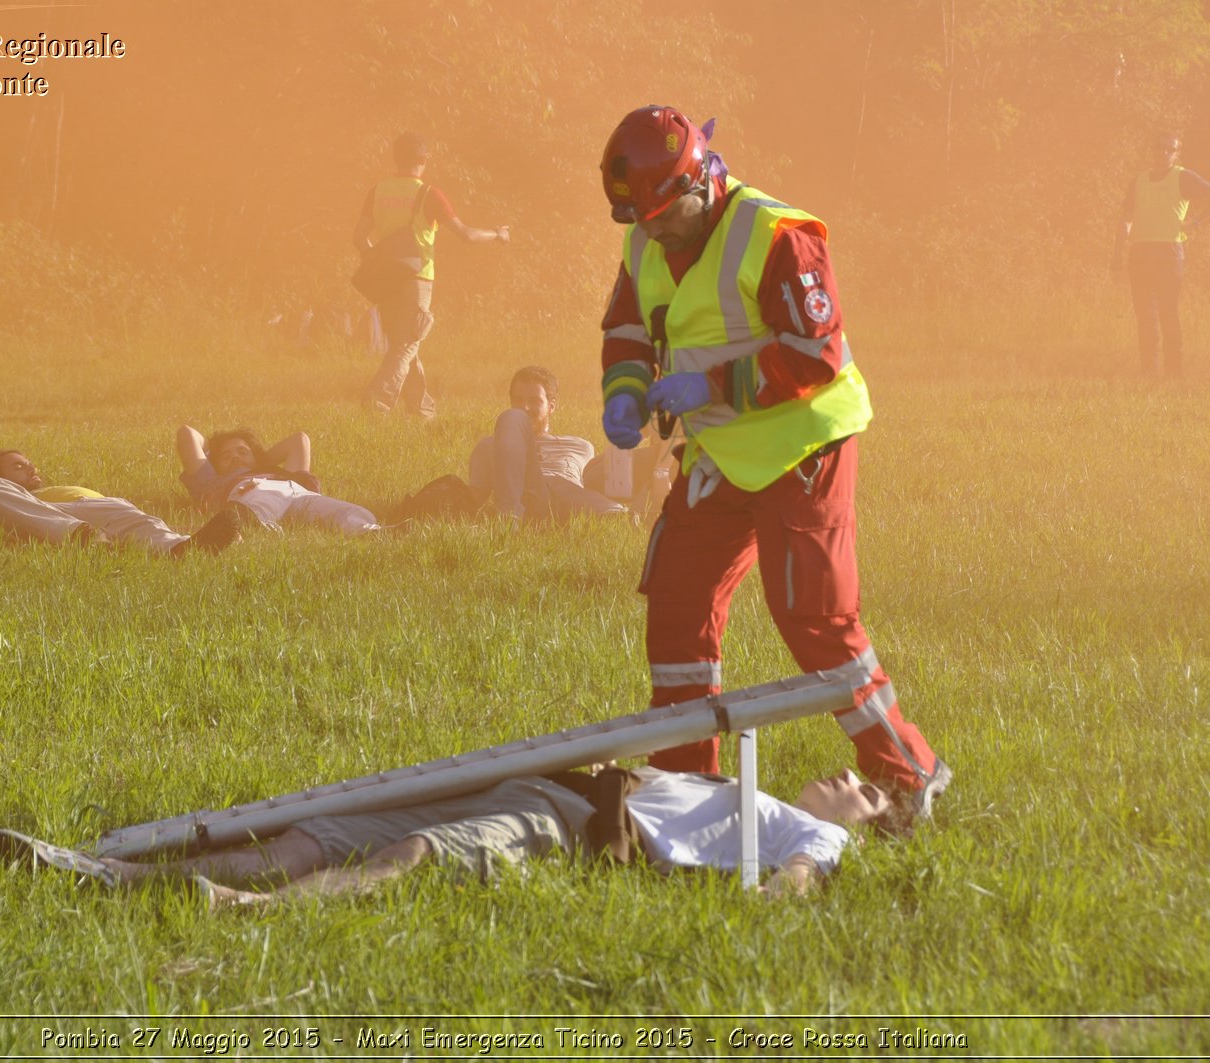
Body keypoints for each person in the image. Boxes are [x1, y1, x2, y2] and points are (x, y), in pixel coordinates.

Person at [595, 106, 949, 821]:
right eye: (641, 219)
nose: (653, 231)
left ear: (703, 181)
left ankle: (910, 773)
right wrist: (625, 393)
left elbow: (815, 354)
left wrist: (711, 386)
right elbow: (628, 328)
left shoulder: (779, 234)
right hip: (719, 452)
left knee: (813, 617)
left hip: (803, 445)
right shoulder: (645, 237)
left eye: (664, 214)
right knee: (676, 611)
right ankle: (687, 789)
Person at [0, 765, 907, 909]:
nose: (845, 783)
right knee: (313, 831)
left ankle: (255, 911)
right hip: (539, 782)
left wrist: (775, 898)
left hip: (569, 819)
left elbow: (799, 875)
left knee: (421, 856)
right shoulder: (733, 780)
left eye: (867, 792)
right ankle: (100, 870)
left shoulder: (824, 834)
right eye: (855, 773)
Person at [353, 131, 511, 419]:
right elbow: (466, 235)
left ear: (395, 158)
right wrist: (498, 235)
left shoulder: (378, 190)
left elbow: (359, 237)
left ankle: (422, 410)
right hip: (418, 279)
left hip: (387, 279)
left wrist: (374, 262)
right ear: (424, 160)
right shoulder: (429, 194)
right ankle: (377, 402)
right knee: (408, 342)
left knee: (404, 342)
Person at [0, 449, 242, 556]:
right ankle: (83, 537)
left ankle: (182, 548)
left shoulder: (49, 491)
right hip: (44, 521)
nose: (31, 470)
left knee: (123, 510)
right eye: (19, 466)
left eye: (31, 465)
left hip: (85, 513)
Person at [1110, 132, 1210, 377]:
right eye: (1158, 148)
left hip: (1169, 252)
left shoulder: (1182, 177)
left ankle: (1174, 372)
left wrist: (1194, 223)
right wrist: (1117, 252)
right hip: (1139, 252)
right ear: (1151, 151)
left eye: (1169, 149)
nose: (1163, 153)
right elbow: (1126, 218)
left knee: (1168, 312)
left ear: (1176, 154)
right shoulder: (1139, 180)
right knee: (1144, 315)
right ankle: (1149, 373)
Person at [468, 366, 629, 525]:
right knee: (512, 417)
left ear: (551, 406)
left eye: (534, 401)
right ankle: (510, 520)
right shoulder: (491, 446)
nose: (525, 407)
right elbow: (475, 497)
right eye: (518, 400)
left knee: (562, 486)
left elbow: (595, 481)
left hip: (566, 502)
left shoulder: (580, 446)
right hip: (524, 496)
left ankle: (619, 514)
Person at [175, 424, 386, 537]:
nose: (236, 457)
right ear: (214, 464)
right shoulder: (211, 481)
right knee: (256, 508)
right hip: (250, 492)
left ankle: (371, 532)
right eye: (226, 455)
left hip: (297, 493)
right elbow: (187, 433)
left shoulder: (288, 474)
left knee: (349, 512)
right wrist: (212, 454)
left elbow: (299, 439)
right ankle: (265, 531)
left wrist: (260, 462)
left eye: (242, 452)